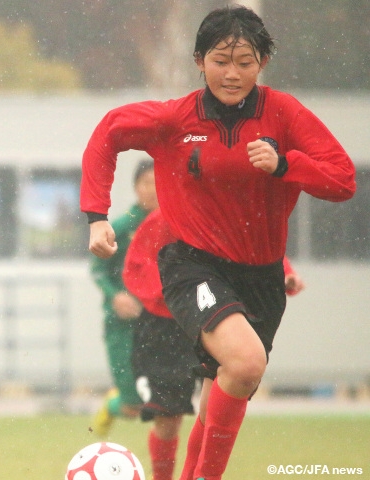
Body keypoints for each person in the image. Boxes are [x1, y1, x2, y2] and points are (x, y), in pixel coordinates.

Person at [80, 5, 354, 479]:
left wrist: (287, 164)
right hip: (192, 264)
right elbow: (108, 132)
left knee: (223, 391)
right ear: (199, 60)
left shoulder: (284, 113)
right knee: (245, 363)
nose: (232, 74)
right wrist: (95, 216)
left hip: (261, 275)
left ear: (262, 63)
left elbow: (343, 179)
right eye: (220, 61)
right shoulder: (174, 118)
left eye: (245, 62)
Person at [124, 208, 304, 480]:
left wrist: (285, 271)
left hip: (212, 318)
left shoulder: (223, 206)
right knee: (168, 413)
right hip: (166, 327)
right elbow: (135, 267)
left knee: (212, 404)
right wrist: (177, 295)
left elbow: (250, 247)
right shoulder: (165, 216)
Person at [90, 159, 158, 437]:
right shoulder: (121, 226)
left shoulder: (176, 225)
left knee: (165, 402)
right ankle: (113, 405)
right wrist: (115, 296)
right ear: (135, 187)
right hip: (123, 324)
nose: (153, 190)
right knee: (133, 406)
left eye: (159, 183)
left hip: (161, 324)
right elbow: (97, 269)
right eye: (146, 183)